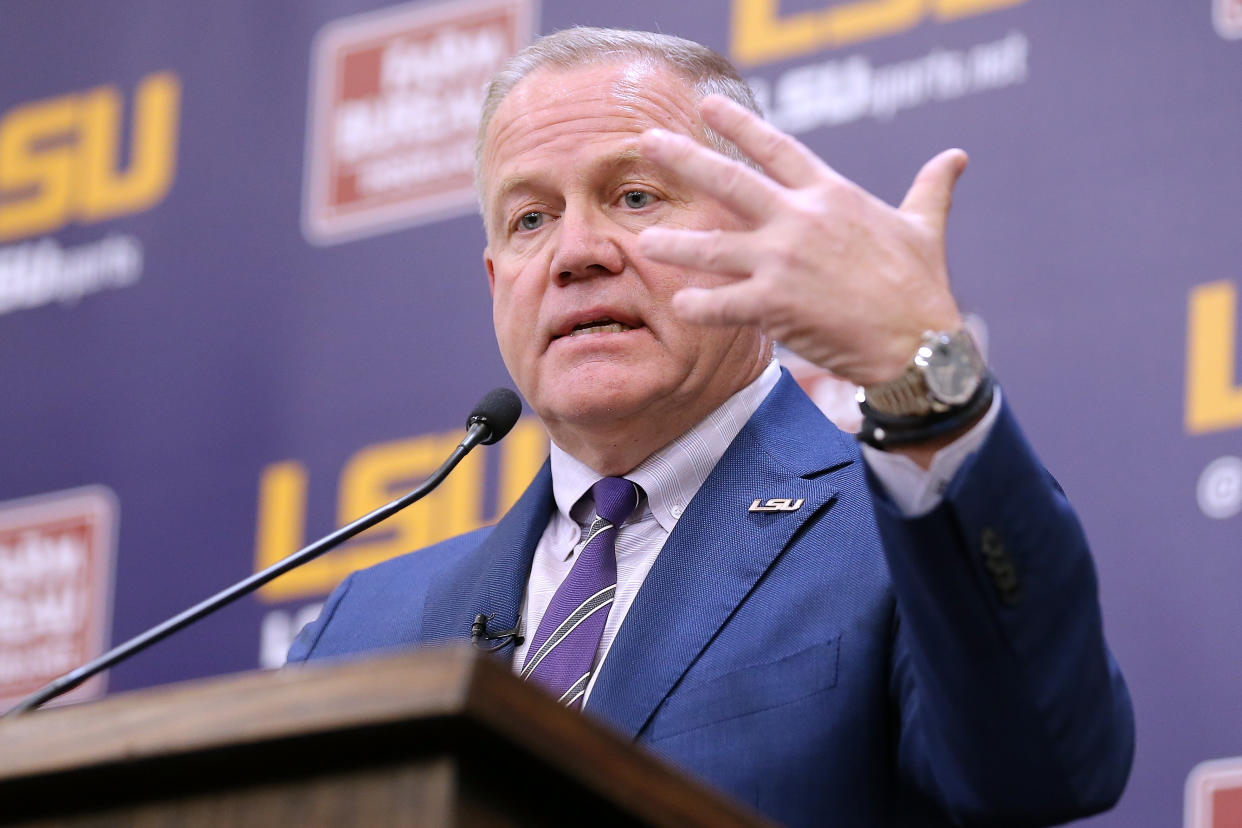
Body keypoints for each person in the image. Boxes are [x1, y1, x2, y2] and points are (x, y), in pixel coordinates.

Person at [288, 27, 1133, 827]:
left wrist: (926, 373)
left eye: (634, 196)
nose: (575, 251)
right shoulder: (367, 626)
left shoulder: (910, 532)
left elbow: (1046, 765)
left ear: (755, 235)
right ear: (495, 278)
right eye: (531, 219)